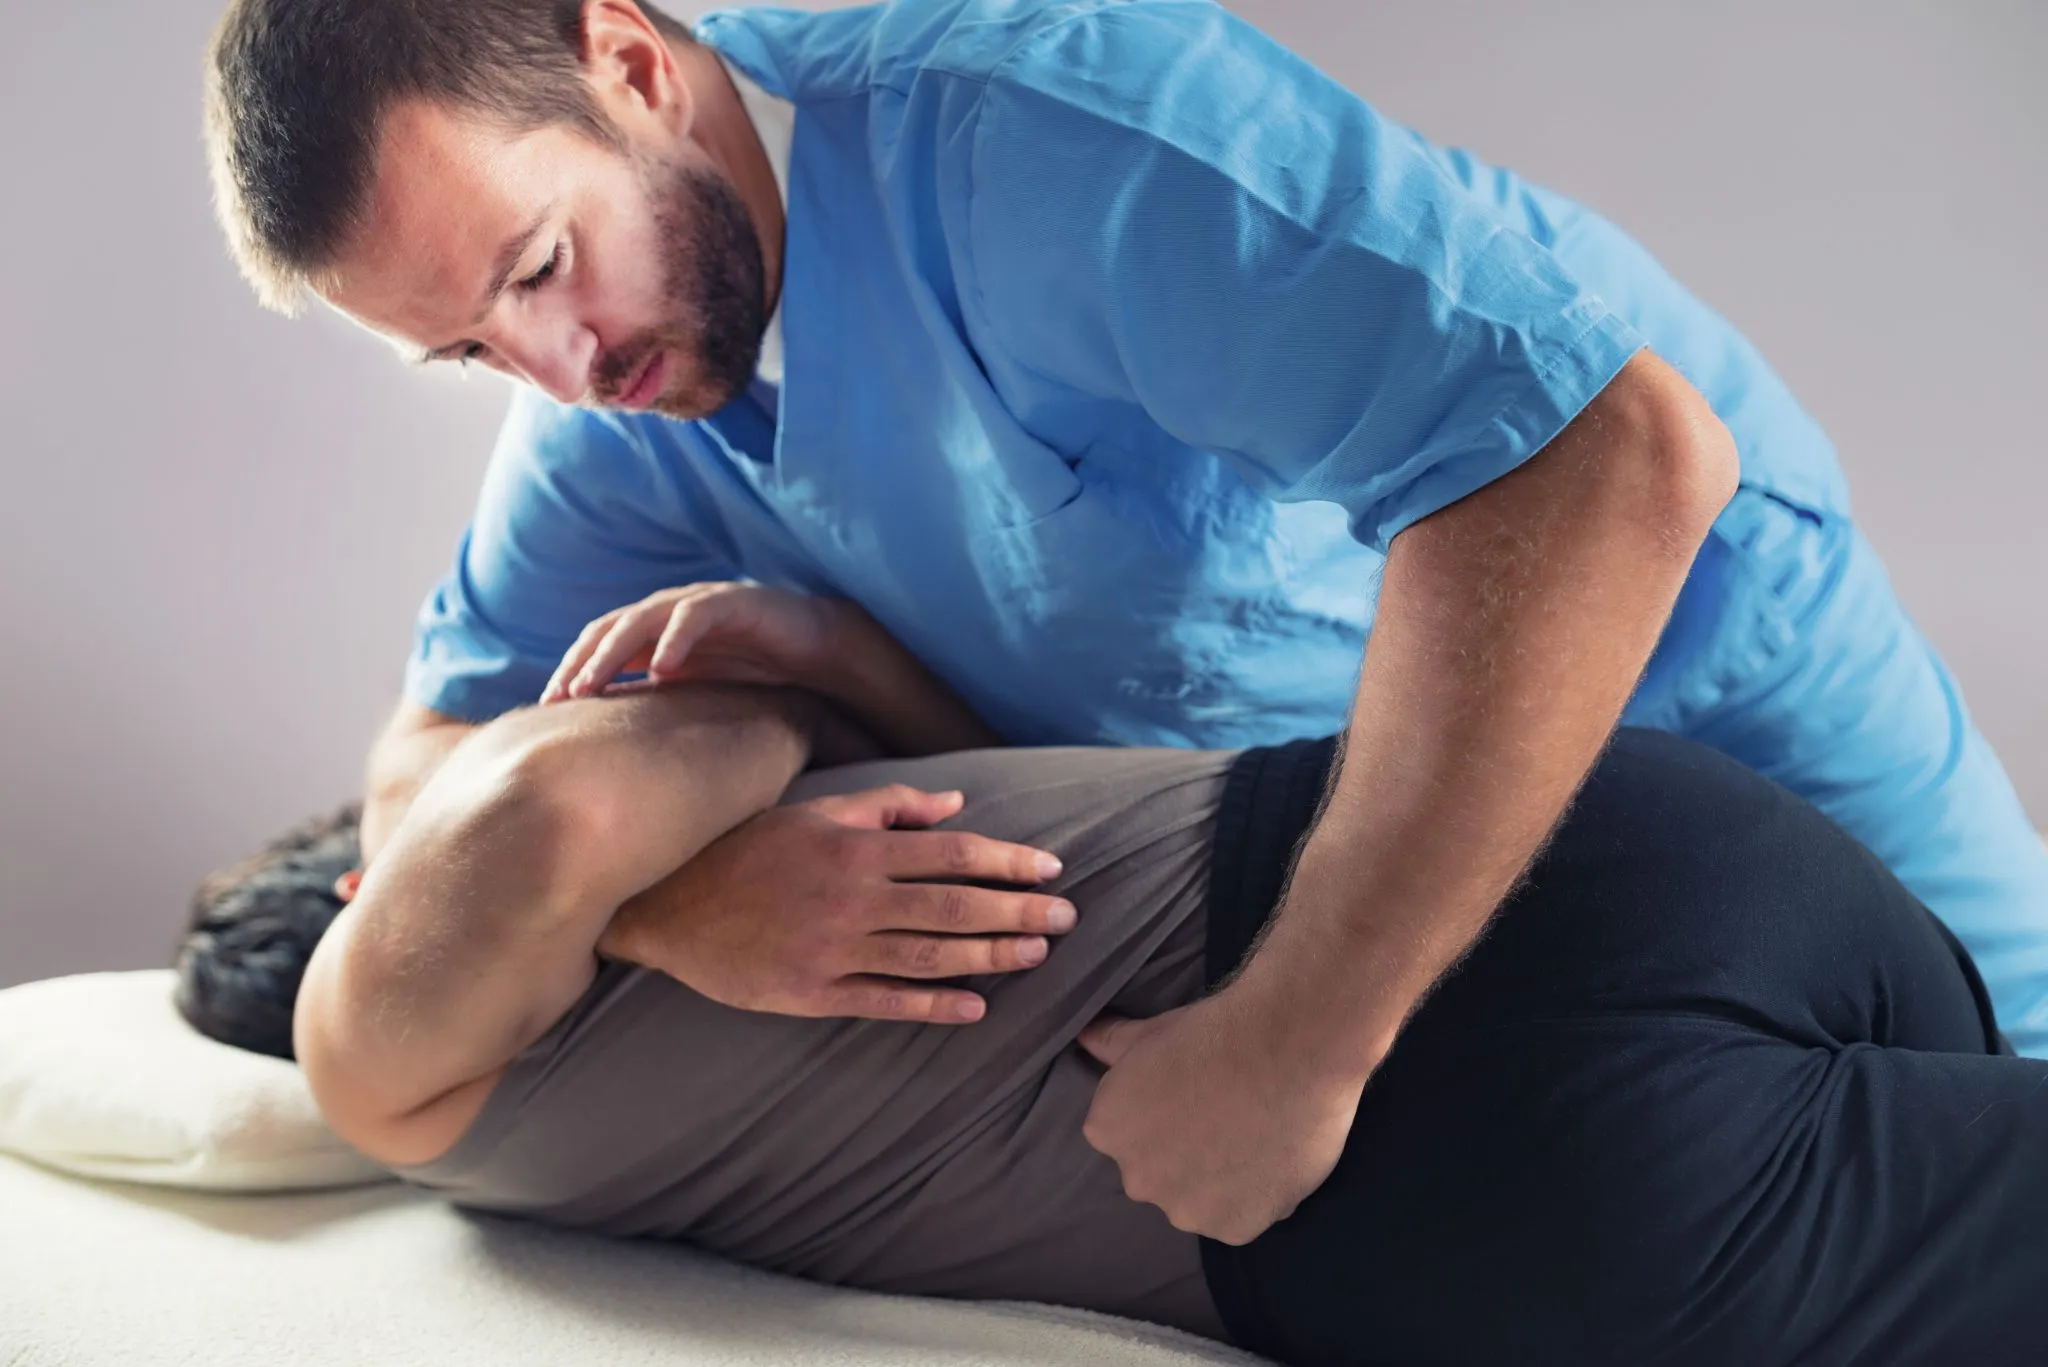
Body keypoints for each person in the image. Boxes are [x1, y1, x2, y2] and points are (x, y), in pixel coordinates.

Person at [198, 0, 2048, 1245]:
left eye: (536, 267)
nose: (556, 367)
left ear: (632, 65)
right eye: (465, 351)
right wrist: (670, 899)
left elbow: (1618, 464)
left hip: (1713, 686)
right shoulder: (633, 403)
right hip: (1452, 891)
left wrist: (1298, 1041)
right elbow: (421, 773)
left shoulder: (1041, 138)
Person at [176, 589, 2048, 1367]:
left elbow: (574, 802)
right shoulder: (388, 1027)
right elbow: (553, 811)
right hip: (1607, 881)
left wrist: (740, 797)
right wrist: (680, 871)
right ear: (359, 884)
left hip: (1443, 1112)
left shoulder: (453, 1090)